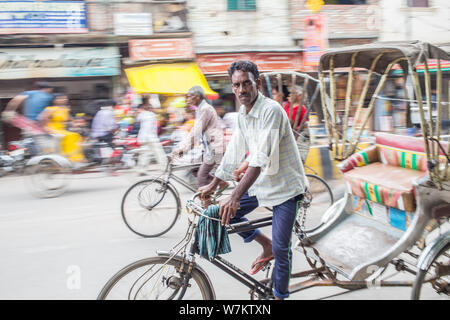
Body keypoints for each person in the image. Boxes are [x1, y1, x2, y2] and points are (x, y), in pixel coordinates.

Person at [199, 60, 309, 300]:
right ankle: (264, 244)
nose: (241, 90)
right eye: (236, 85)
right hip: (262, 185)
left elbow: (258, 158)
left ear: (256, 83)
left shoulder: (271, 110)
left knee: (282, 249)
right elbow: (236, 149)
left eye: (246, 83)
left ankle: (280, 296)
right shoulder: (243, 113)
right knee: (223, 212)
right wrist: (214, 183)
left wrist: (235, 195)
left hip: (287, 188)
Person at [171, 86, 225, 188]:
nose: (187, 99)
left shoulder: (205, 109)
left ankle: (206, 202)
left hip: (214, 148)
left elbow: (196, 131)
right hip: (207, 147)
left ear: (197, 97)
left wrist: (183, 148)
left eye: (189, 96)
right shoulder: (200, 109)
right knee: (193, 168)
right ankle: (219, 183)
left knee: (201, 176)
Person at [38, 94, 85, 162]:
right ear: (54, 101)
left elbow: (71, 120)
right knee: (71, 135)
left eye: (64, 98)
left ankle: (76, 157)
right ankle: (70, 157)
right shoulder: (50, 109)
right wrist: (45, 127)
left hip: (62, 129)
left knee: (77, 135)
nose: (63, 100)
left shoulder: (65, 109)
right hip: (52, 128)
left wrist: (75, 124)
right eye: (60, 98)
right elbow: (41, 118)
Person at [135, 97, 167, 174]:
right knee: (159, 152)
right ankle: (164, 167)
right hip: (151, 137)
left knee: (145, 153)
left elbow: (141, 122)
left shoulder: (142, 115)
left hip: (144, 137)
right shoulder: (151, 115)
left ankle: (141, 169)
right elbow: (148, 127)